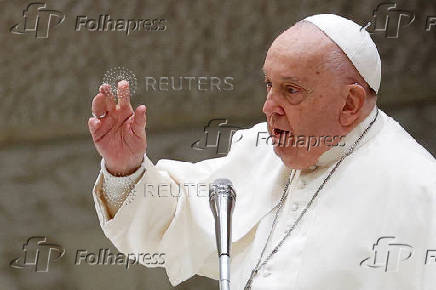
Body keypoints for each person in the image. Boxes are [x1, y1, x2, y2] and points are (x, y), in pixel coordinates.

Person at [88, 14, 436, 290]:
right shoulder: (261, 150)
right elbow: (175, 220)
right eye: (270, 85)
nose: (269, 107)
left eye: (291, 90)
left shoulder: (419, 190)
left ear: (350, 103)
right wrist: (125, 167)